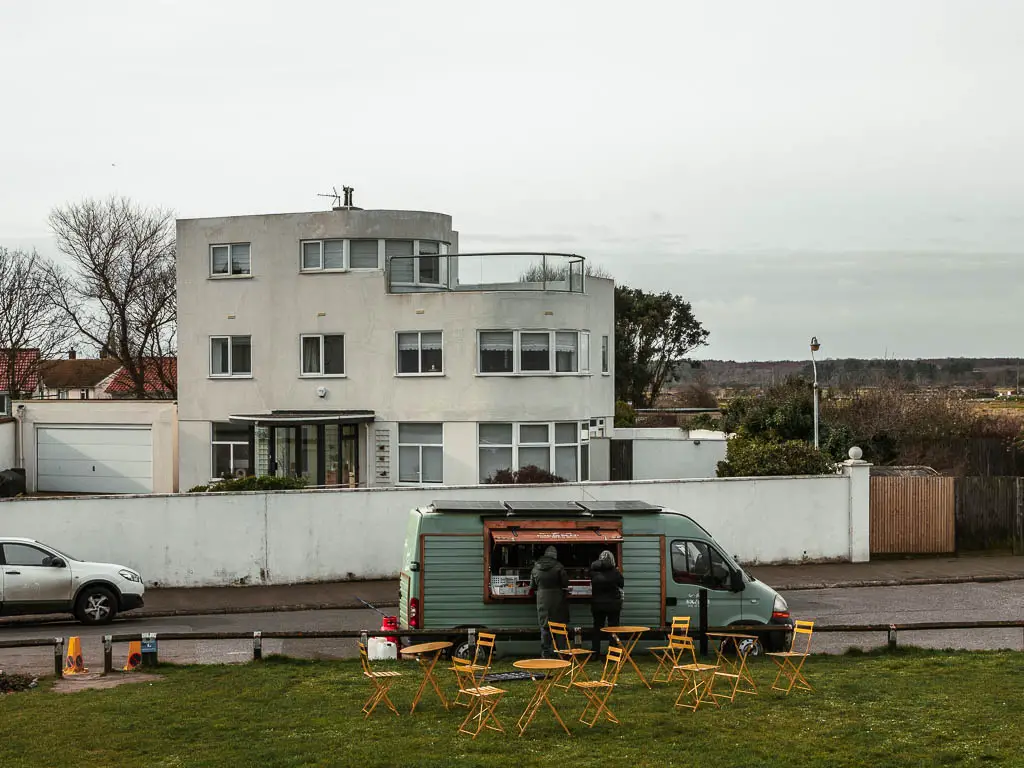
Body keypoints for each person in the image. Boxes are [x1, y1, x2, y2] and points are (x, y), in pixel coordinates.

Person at [530, 545, 569, 658]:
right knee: (559, 627)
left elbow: (532, 586)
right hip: (558, 599)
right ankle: (561, 653)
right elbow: (565, 582)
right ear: (555, 556)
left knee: (545, 627)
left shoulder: (536, 567)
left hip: (542, 599)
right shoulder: (558, 566)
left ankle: (545, 653)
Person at [589, 549, 624, 656]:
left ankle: (595, 653)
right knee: (613, 628)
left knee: (597, 628)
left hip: (597, 604)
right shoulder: (615, 572)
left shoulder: (593, 571)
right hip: (613, 604)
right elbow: (621, 584)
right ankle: (612, 653)